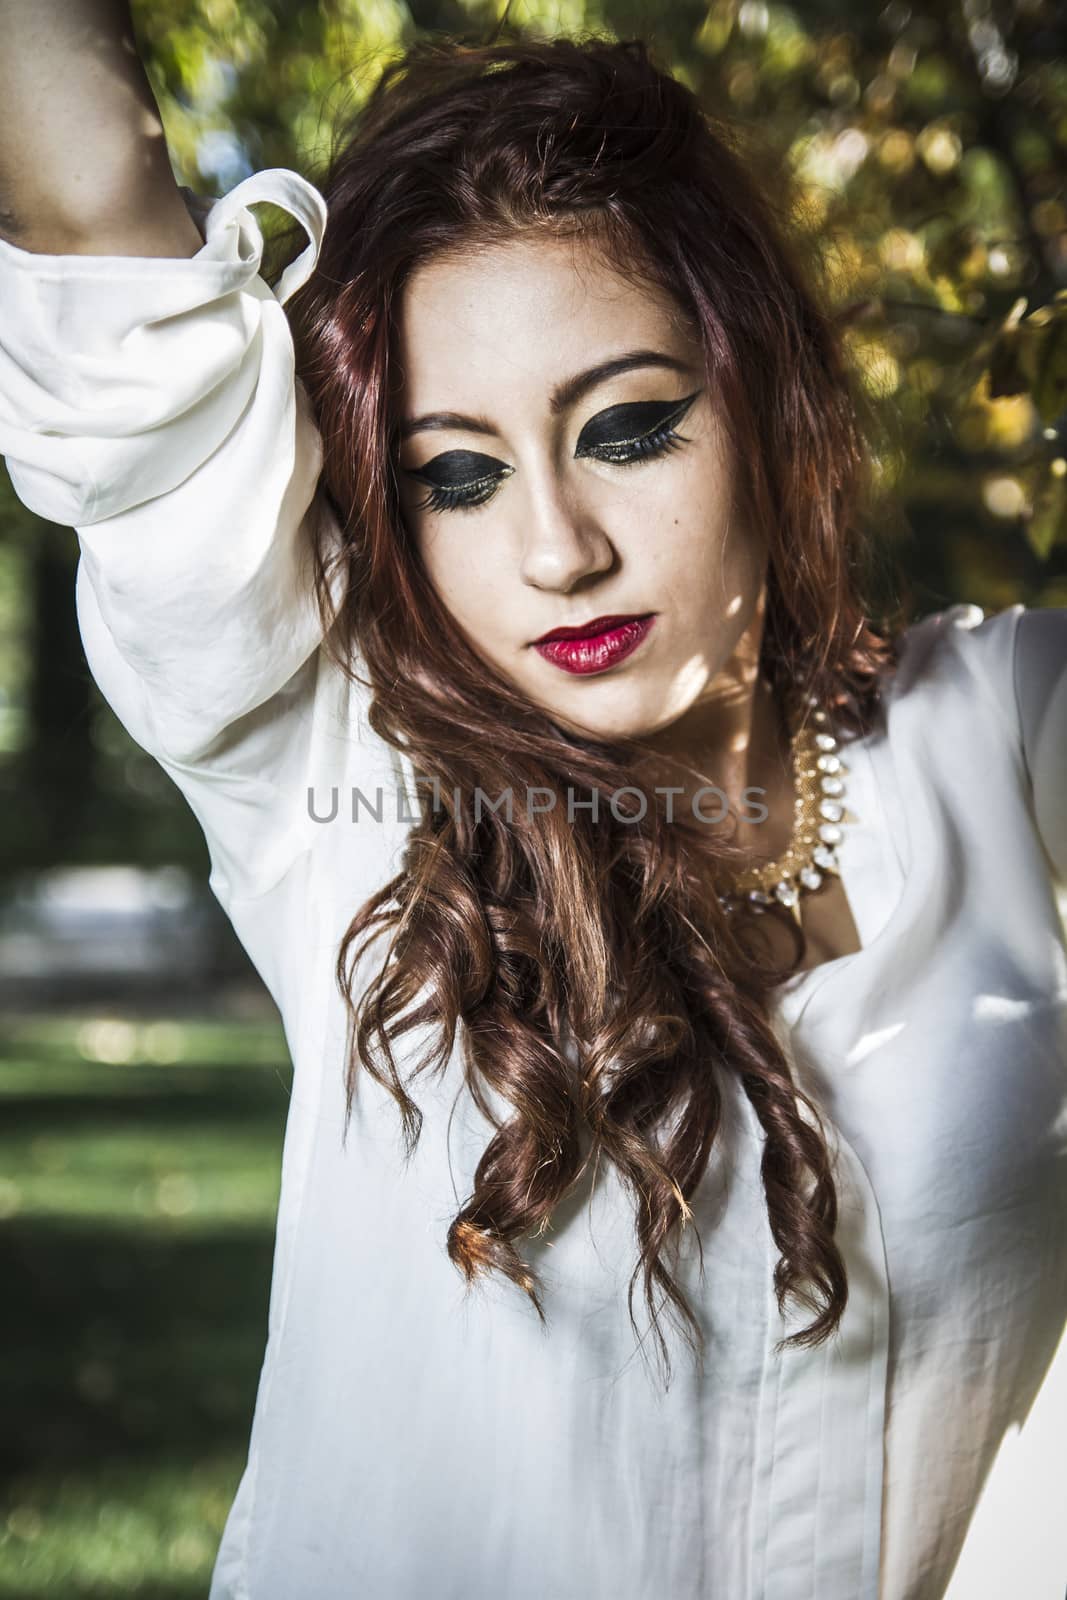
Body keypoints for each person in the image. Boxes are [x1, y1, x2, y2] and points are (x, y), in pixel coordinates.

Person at [1, 9, 1065, 1599]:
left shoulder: (998, 730)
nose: (559, 547)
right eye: (458, 474)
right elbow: (89, 182)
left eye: (628, 429)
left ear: (765, 410)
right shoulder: (332, 754)